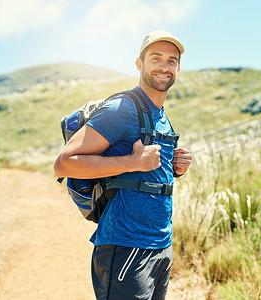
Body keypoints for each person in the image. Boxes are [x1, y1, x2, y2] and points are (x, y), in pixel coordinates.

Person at [54, 30, 192, 300]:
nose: (165, 66)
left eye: (172, 61)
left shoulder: (161, 115)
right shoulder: (122, 108)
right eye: (156, 58)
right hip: (125, 246)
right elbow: (64, 164)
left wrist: (176, 168)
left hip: (161, 246)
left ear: (178, 67)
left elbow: (146, 174)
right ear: (139, 64)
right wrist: (133, 162)